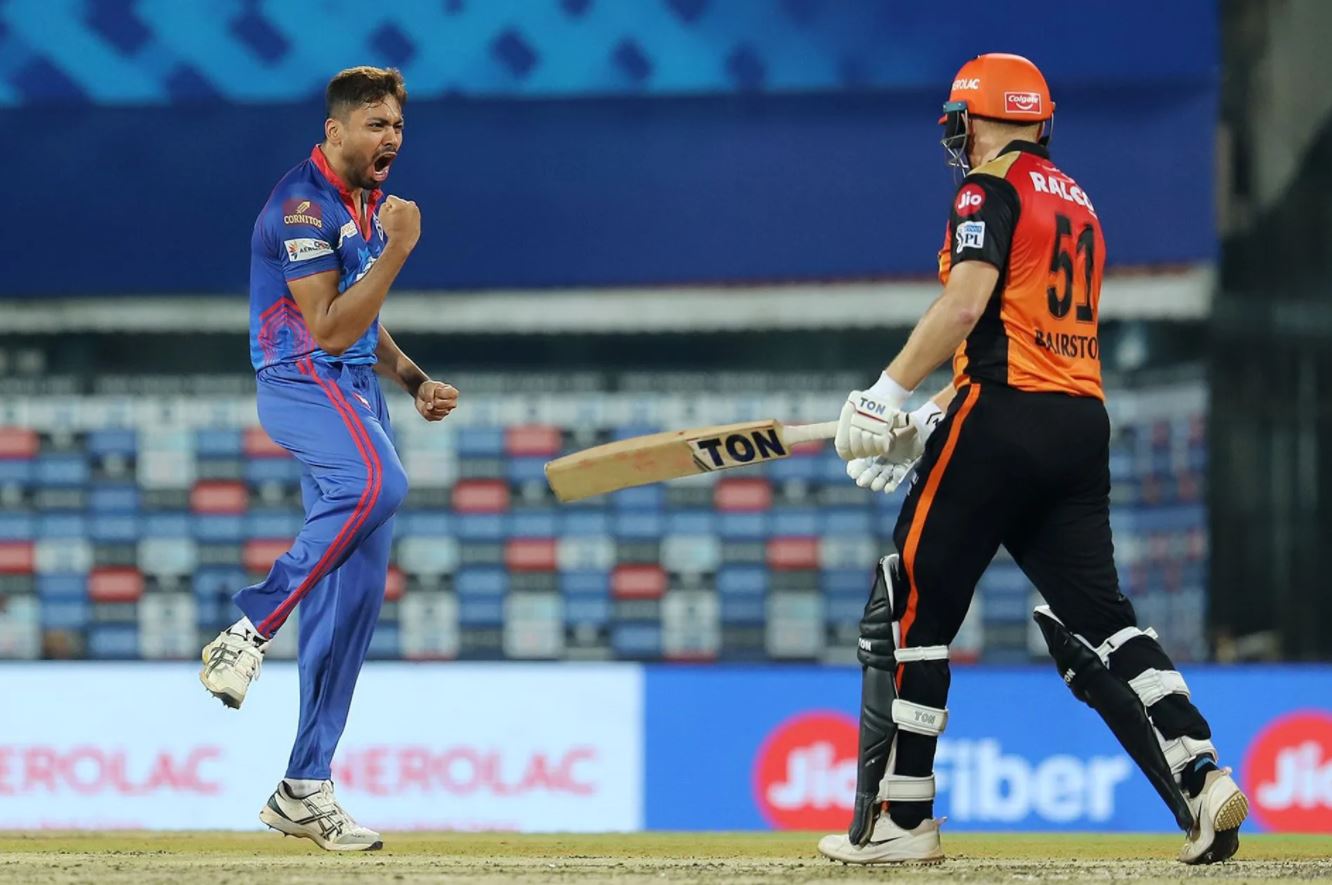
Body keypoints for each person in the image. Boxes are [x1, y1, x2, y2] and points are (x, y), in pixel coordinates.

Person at [817, 53, 1247, 866]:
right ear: (1040, 119)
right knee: (1105, 617)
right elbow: (1029, 341)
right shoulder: (1079, 203)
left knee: (912, 596)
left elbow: (968, 304)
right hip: (1079, 424)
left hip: (1003, 418)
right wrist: (931, 412)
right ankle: (1200, 770)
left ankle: (903, 816)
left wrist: (886, 391)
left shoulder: (987, 189)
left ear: (973, 119)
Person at [198, 66, 458, 851]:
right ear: (335, 131)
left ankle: (304, 785)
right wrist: (403, 249)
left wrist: (411, 379)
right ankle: (250, 624)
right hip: (300, 380)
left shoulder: (367, 204)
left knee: (356, 600)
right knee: (381, 481)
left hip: (355, 392)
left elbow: (360, 317)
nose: (392, 140)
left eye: (398, 127)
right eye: (376, 125)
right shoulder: (302, 206)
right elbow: (329, 330)